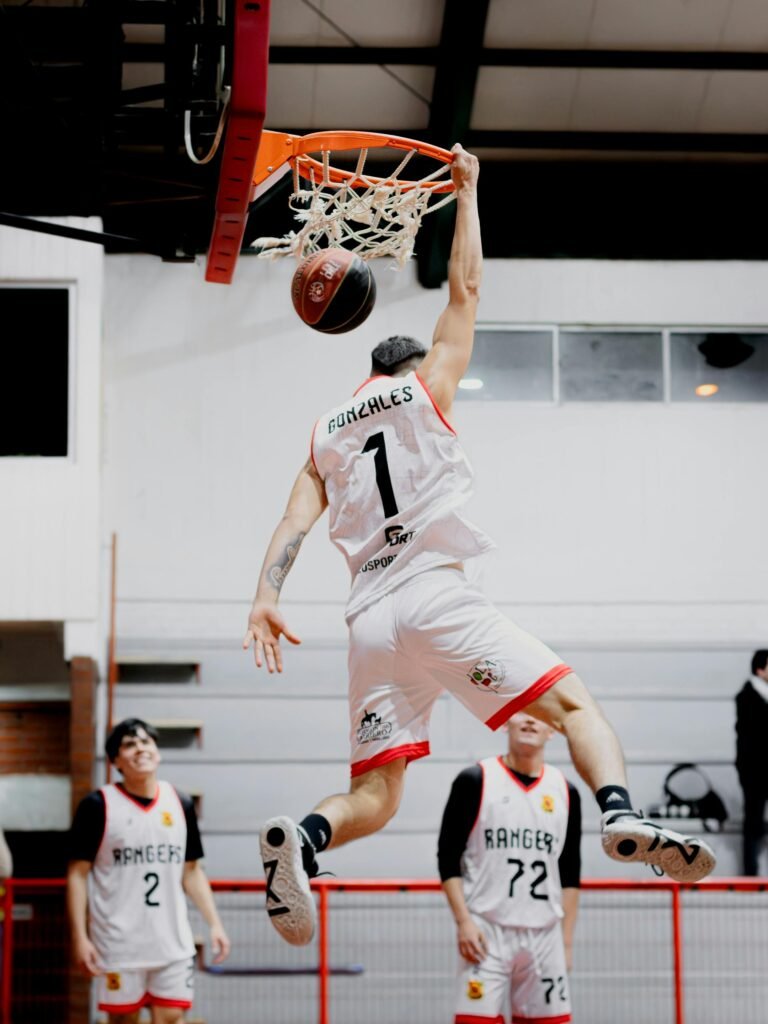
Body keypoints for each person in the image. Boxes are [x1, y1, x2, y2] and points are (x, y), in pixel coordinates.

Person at [243, 143, 716, 948]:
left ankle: (308, 841)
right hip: (435, 596)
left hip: (367, 624)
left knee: (379, 790)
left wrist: (266, 598)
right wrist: (467, 191)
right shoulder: (426, 389)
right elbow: (465, 286)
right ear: (412, 364)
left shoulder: (324, 434)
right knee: (575, 708)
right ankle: (619, 817)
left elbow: (293, 524)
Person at [67, 718, 230, 1024]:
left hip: (171, 941)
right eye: (129, 744)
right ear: (116, 760)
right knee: (123, 1021)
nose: (140, 748)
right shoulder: (97, 806)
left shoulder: (179, 802)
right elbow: (77, 874)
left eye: (145, 742)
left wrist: (215, 924)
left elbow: (192, 871)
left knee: (171, 1017)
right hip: (118, 943)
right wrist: (80, 936)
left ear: (157, 751)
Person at [438, 713, 580, 1024]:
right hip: (487, 930)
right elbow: (447, 857)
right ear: (505, 722)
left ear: (553, 729)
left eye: (540, 715)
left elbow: (570, 872)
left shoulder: (565, 791)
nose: (531, 721)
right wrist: (463, 922)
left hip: (545, 933)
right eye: (523, 713)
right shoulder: (475, 780)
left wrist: (566, 942)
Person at [735, 650, 768, 875]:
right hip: (755, 771)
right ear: (760, 669)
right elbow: (749, 737)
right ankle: (750, 876)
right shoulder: (747, 696)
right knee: (753, 822)